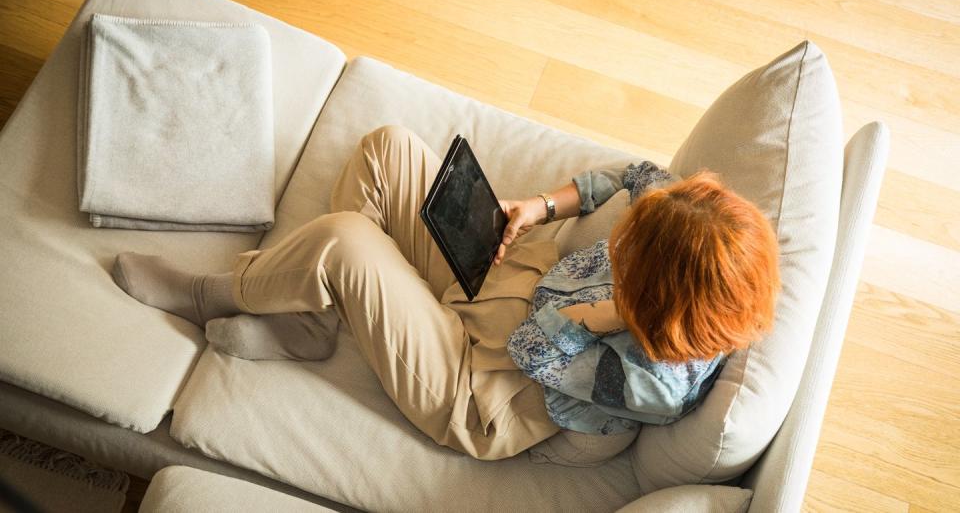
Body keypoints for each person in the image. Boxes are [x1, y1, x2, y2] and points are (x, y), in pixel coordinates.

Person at [110, 125, 781, 460]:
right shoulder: (694, 242)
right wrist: (543, 208)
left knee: (344, 240)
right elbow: (639, 175)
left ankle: (208, 293)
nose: (624, 241)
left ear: (655, 299)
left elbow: (530, 350)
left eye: (629, 259)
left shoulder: (652, 382)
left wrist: (604, 311)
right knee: (388, 149)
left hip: (480, 385)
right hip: (521, 281)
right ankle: (314, 321)